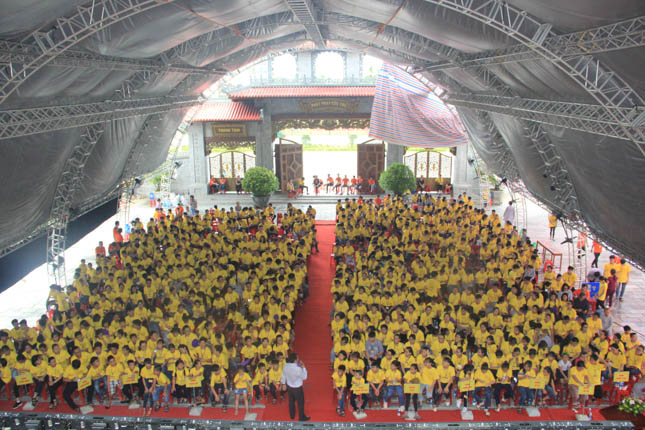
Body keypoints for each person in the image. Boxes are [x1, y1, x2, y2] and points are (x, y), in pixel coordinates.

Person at [281, 353, 309, 421]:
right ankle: (301, 417)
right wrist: (303, 368)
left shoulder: (285, 366)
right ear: (295, 360)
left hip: (290, 387)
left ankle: (292, 415)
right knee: (300, 403)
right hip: (297, 388)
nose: (298, 359)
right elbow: (304, 377)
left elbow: (283, 375)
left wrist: (283, 384)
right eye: (297, 358)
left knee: (291, 401)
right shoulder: (298, 368)